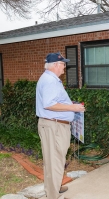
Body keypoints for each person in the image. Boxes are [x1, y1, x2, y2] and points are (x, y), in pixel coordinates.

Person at [36, 52, 85, 199]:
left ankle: (53, 188)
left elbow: (54, 101)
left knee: (54, 160)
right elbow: (49, 104)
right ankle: (52, 195)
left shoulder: (51, 79)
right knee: (55, 162)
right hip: (54, 126)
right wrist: (73, 108)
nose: (65, 67)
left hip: (55, 125)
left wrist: (70, 105)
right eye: (63, 64)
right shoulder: (50, 80)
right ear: (55, 65)